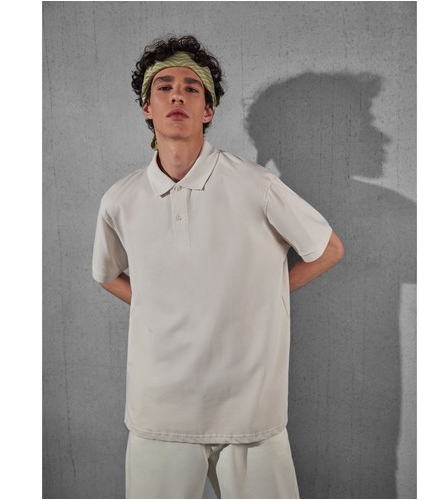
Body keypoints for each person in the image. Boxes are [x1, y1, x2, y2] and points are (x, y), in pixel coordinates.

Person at [92, 35, 344, 499]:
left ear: (207, 110)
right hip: (160, 411)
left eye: (192, 88)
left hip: (250, 409)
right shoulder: (120, 200)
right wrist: (160, 304)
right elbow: (107, 274)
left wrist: (262, 295)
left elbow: (327, 249)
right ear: (147, 107)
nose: (177, 95)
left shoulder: (257, 185)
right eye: (164, 87)